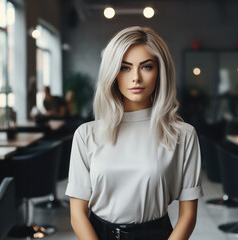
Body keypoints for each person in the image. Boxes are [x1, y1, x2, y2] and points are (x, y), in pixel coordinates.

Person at [66, 26, 204, 240]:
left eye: (147, 67)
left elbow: (188, 216)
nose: (136, 78)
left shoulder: (183, 135)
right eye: (125, 68)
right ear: (112, 73)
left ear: (160, 72)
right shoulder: (86, 135)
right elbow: (77, 214)